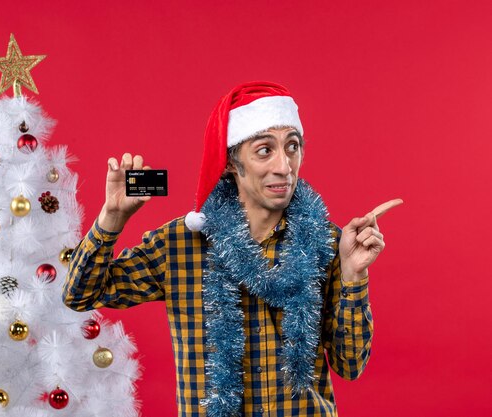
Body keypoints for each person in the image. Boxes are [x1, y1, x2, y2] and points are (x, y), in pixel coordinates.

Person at [62, 81, 401, 417]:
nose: (284, 166)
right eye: (264, 150)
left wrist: (354, 274)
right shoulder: (180, 243)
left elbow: (351, 365)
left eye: (292, 146)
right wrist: (112, 218)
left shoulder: (327, 241)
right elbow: (80, 295)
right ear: (229, 163)